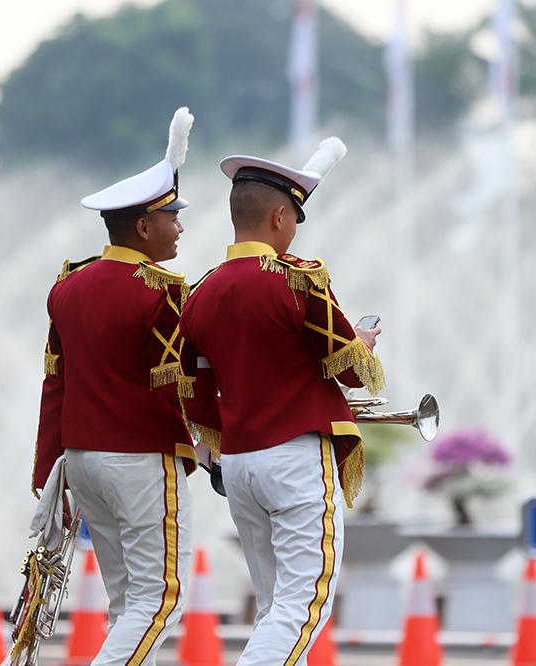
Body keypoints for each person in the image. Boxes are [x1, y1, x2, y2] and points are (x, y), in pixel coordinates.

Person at [179, 138, 384, 666]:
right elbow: (355, 370)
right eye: (294, 216)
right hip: (294, 461)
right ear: (277, 216)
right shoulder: (297, 280)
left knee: (275, 608)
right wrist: (362, 341)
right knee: (303, 607)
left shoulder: (199, 293)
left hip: (241, 464)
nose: (295, 227)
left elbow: (197, 402)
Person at [32, 108, 196, 666]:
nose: (181, 228)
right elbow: (175, 388)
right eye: (173, 218)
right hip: (141, 460)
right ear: (144, 228)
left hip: (81, 459)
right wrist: (210, 444)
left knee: (128, 601)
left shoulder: (68, 286)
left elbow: (54, 382)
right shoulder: (160, 290)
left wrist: (46, 463)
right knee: (161, 601)